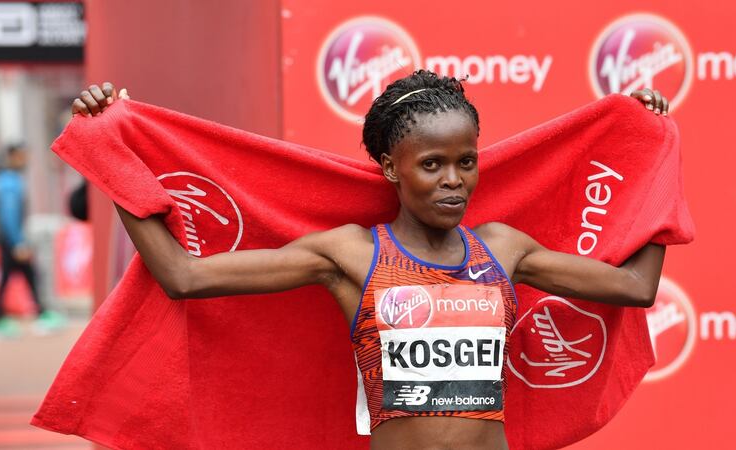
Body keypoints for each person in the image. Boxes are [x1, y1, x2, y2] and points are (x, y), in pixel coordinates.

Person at [72, 71, 669, 450]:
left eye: (466, 161)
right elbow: (182, 276)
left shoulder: (503, 248)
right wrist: (113, 154)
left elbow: (636, 288)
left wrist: (652, 146)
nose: (453, 181)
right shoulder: (352, 253)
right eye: (431, 164)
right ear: (391, 168)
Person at [0, 145, 66, 339]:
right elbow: (9, 216)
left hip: (8, 239)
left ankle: (9, 317)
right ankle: (29, 316)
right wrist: (18, 243)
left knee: (19, 276)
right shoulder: (10, 183)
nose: (26, 160)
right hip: (11, 240)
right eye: (23, 156)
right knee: (25, 275)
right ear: (13, 156)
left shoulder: (5, 180)